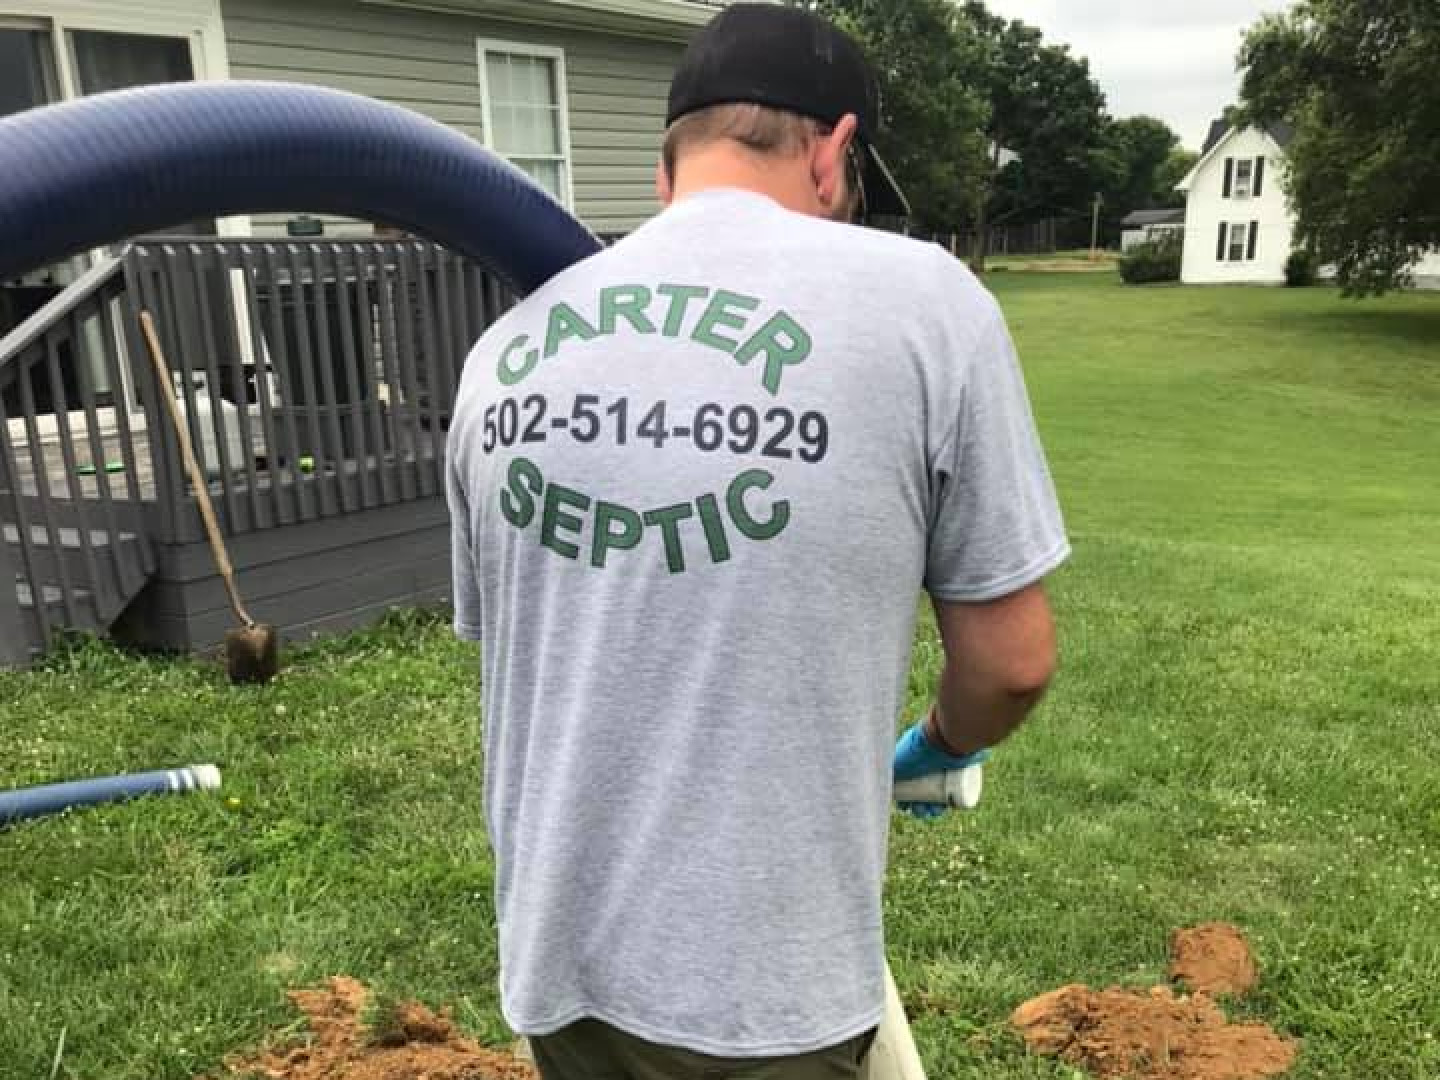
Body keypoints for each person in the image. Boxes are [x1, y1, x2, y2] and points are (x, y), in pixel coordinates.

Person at [445, 4, 1069, 1077]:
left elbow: (526, 643)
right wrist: (937, 746)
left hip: (552, 964)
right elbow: (1011, 665)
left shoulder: (504, 349)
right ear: (834, 153)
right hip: (764, 992)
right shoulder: (928, 305)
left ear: (666, 168)